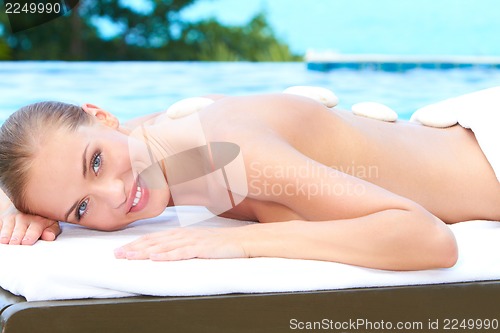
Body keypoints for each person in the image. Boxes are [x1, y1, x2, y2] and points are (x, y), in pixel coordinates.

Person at [0, 92, 499, 271]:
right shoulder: (157, 135)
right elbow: (53, 165)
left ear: (103, 117)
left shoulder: (234, 149)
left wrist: (247, 243)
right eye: (81, 210)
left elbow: (430, 239)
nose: (113, 194)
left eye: (94, 163)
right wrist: (20, 207)